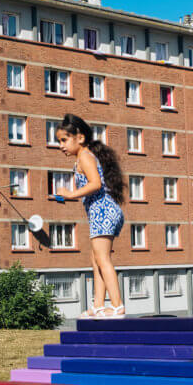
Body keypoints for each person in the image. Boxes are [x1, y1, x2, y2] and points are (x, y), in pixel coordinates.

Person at [54, 114, 126, 318]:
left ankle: (117, 305)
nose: (61, 145)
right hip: (100, 212)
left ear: (80, 138)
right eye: (59, 141)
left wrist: (70, 194)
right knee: (96, 261)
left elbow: (95, 184)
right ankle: (98, 305)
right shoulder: (82, 158)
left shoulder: (85, 156)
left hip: (103, 211)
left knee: (102, 260)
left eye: (64, 140)